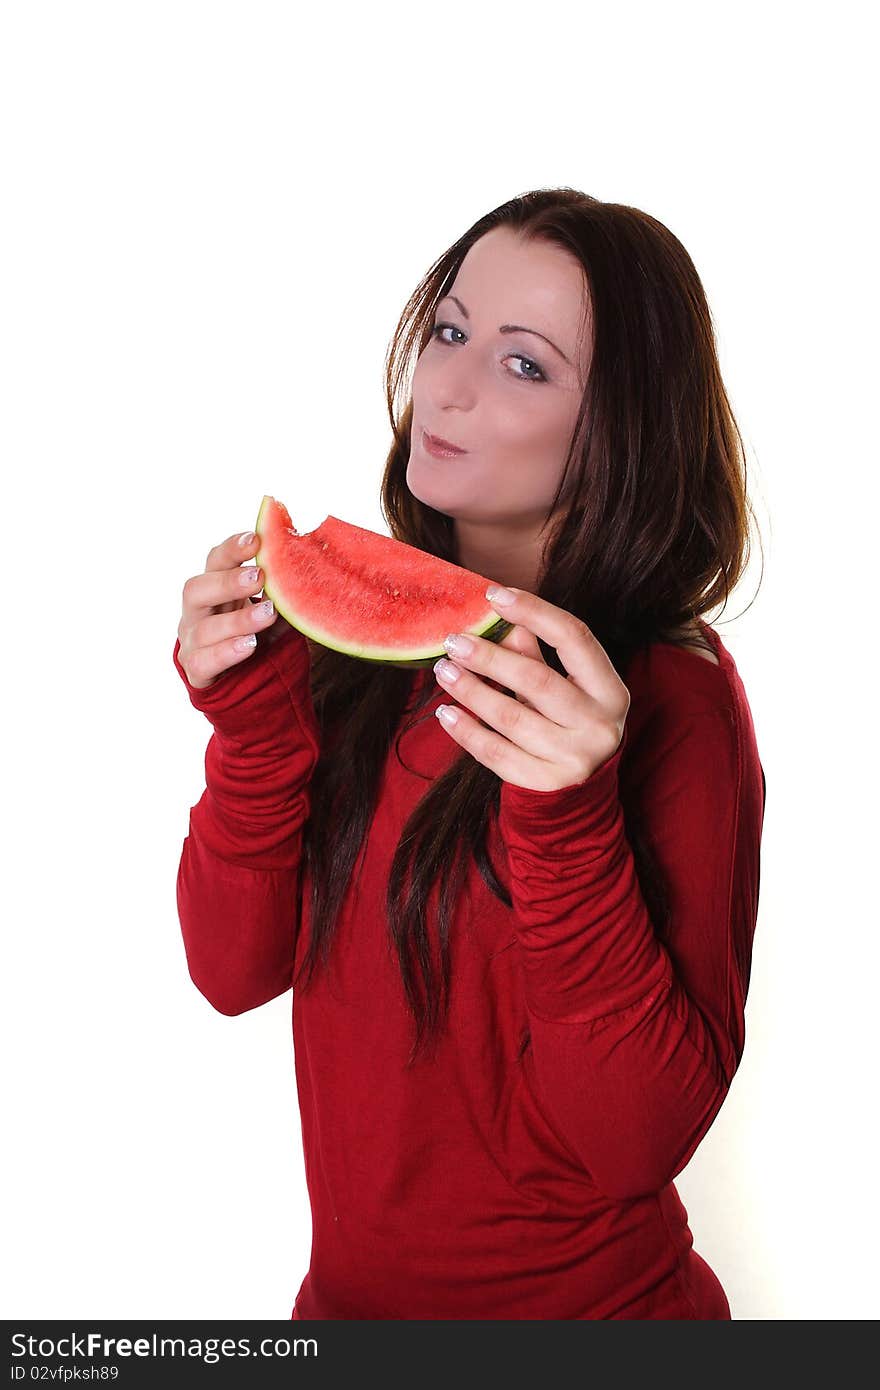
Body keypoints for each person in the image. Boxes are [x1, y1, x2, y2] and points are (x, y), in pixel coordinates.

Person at [173, 187, 766, 1320]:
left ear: (620, 425)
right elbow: (229, 972)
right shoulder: (356, 650)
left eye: (524, 365)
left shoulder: (672, 701)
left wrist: (566, 814)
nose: (447, 386)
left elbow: (633, 1139)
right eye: (448, 332)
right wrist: (252, 730)